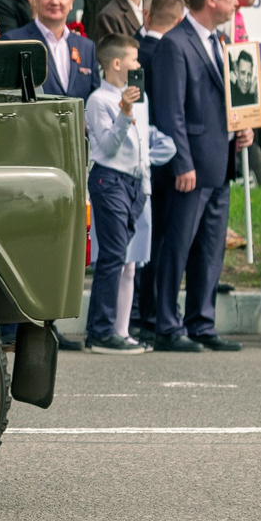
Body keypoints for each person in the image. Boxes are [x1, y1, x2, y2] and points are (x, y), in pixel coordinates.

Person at [145, 0, 250, 351]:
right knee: (177, 245)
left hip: (220, 163)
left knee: (210, 247)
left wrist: (244, 126)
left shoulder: (220, 41)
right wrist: (181, 163)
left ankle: (201, 322)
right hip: (191, 166)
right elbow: (170, 111)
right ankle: (167, 325)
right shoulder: (176, 43)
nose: (236, 2)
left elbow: (226, 101)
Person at [83, 36, 172, 353]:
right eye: (134, 59)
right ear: (116, 64)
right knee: (113, 257)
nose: (139, 65)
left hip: (134, 184)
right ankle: (100, 331)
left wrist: (145, 186)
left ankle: (116, 330)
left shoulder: (138, 99)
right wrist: (124, 113)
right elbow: (107, 147)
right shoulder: (99, 101)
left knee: (127, 261)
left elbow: (143, 149)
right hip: (110, 181)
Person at [3, 0, 97, 99]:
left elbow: (93, 98)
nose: (54, 1)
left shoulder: (86, 47)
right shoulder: (14, 42)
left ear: (71, 1)